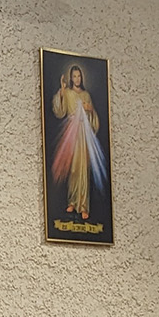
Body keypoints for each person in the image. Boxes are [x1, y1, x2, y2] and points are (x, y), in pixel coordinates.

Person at [49, 62, 107, 223]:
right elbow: (60, 111)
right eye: (74, 76)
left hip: (84, 133)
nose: (77, 79)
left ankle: (83, 206)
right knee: (74, 168)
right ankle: (72, 201)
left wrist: (90, 110)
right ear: (71, 78)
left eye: (79, 76)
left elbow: (94, 120)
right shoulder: (68, 93)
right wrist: (61, 91)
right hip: (72, 133)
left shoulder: (86, 95)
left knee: (83, 168)